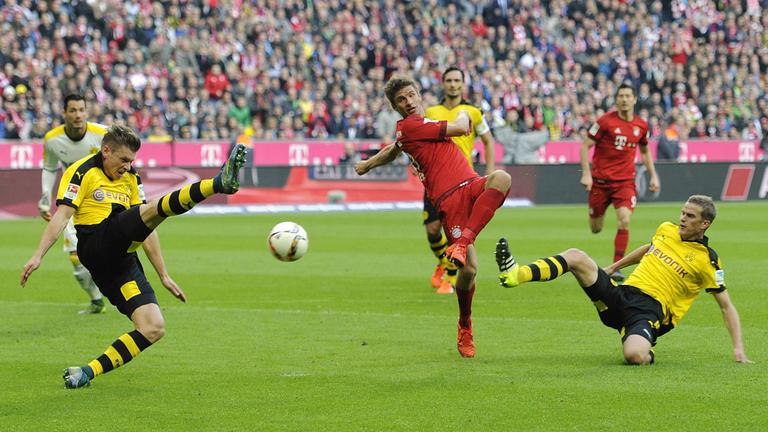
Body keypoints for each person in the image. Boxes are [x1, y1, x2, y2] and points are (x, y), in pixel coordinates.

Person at [20, 125, 246, 388]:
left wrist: (163, 274)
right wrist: (38, 255)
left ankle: (86, 372)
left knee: (153, 327)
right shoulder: (82, 172)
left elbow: (145, 227)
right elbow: (62, 216)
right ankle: (217, 184)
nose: (128, 166)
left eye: (132, 161)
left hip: (119, 260)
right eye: (124, 159)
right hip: (95, 244)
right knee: (150, 211)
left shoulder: (131, 179)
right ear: (106, 151)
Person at [355, 76, 511, 358]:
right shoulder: (413, 125)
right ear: (395, 107)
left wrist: (368, 163)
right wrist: (464, 111)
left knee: (501, 178)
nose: (409, 102)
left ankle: (462, 242)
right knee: (470, 270)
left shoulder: (408, 131)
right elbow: (463, 127)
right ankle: (465, 325)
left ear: (419, 95)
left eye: (412, 95)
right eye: (401, 100)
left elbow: (394, 149)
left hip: (471, 182)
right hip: (449, 200)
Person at [495, 195, 752, 365]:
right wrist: (614, 267)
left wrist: (738, 348)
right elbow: (649, 248)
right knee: (576, 256)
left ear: (705, 223)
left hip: (649, 312)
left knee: (634, 356)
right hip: (622, 296)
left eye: (690, 216)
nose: (683, 218)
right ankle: (515, 274)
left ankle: (644, 346)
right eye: (683, 213)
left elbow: (726, 305)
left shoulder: (708, 260)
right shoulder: (667, 230)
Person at [423, 66, 497, 295]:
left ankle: (450, 277)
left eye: (457, 80)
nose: (453, 84)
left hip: (462, 181)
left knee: (452, 231)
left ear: (462, 84)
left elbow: (488, 141)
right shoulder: (432, 111)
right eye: (449, 80)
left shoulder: (473, 112)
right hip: (435, 180)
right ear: (443, 84)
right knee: (432, 230)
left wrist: (490, 172)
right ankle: (444, 263)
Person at [580, 83, 660, 282]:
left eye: (628, 96)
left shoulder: (641, 125)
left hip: (624, 182)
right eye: (621, 96)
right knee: (595, 228)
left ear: (634, 99)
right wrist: (586, 174)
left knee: (624, 219)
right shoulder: (605, 121)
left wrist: (654, 175)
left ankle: (615, 267)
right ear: (616, 99)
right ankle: (597, 215)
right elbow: (585, 146)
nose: (624, 99)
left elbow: (644, 151)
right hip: (599, 182)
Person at [39, 94, 108, 314]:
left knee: (110, 249)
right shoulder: (52, 139)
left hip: (102, 199)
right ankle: (96, 300)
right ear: (64, 113)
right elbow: (50, 168)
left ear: (87, 111)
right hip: (71, 200)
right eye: (73, 110)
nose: (78, 115)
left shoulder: (103, 134)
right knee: (75, 257)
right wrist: (45, 195)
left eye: (81, 110)